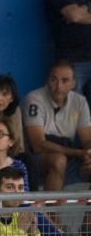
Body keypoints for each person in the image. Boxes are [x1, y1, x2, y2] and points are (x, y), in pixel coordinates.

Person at [22, 60, 91, 191]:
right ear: (47, 80)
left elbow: (87, 139)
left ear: (73, 83)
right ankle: (51, 206)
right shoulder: (34, 98)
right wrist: (78, 153)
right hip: (38, 157)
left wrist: (88, 154)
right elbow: (37, 145)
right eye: (54, 80)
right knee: (59, 160)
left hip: (70, 154)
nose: (59, 86)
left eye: (65, 80)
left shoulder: (80, 101)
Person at [44, 0, 91, 97]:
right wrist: (79, 13)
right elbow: (74, 16)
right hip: (71, 61)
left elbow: (77, 15)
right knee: (71, 107)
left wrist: (82, 11)